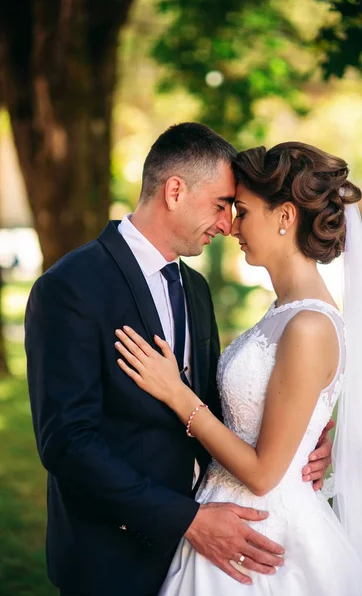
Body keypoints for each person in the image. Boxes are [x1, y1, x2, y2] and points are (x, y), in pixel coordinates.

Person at [25, 125, 333, 596]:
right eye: (220, 205)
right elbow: (67, 442)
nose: (227, 224)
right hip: (113, 556)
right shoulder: (71, 286)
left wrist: (307, 436)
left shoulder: (195, 289)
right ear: (174, 191)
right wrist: (186, 520)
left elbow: (221, 405)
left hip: (211, 546)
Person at [115, 141, 362, 595]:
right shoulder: (285, 311)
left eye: (242, 211)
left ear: (285, 217)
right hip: (227, 512)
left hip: (263, 534)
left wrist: (177, 394)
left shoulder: (308, 324)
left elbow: (265, 473)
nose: (230, 226)